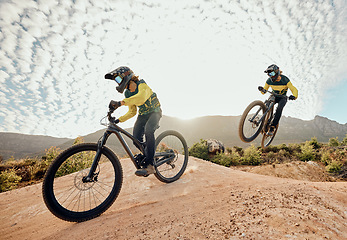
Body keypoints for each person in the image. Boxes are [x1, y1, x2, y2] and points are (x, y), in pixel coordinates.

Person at [105, 66, 162, 176]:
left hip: (155, 112)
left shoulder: (142, 84)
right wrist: (118, 120)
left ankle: (150, 165)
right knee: (136, 139)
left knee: (148, 130)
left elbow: (141, 98)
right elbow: (132, 111)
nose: (117, 83)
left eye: (118, 80)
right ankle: (150, 154)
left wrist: (120, 103)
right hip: (143, 115)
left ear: (126, 76)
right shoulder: (128, 94)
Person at [258, 64, 298, 135]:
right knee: (267, 104)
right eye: (269, 74)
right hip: (274, 96)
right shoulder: (269, 81)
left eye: (272, 73)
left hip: (283, 97)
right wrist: (262, 90)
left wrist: (294, 96)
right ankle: (264, 121)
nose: (270, 75)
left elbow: (293, 88)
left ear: (277, 72)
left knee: (279, 108)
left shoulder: (285, 79)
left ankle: (272, 127)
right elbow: (264, 91)